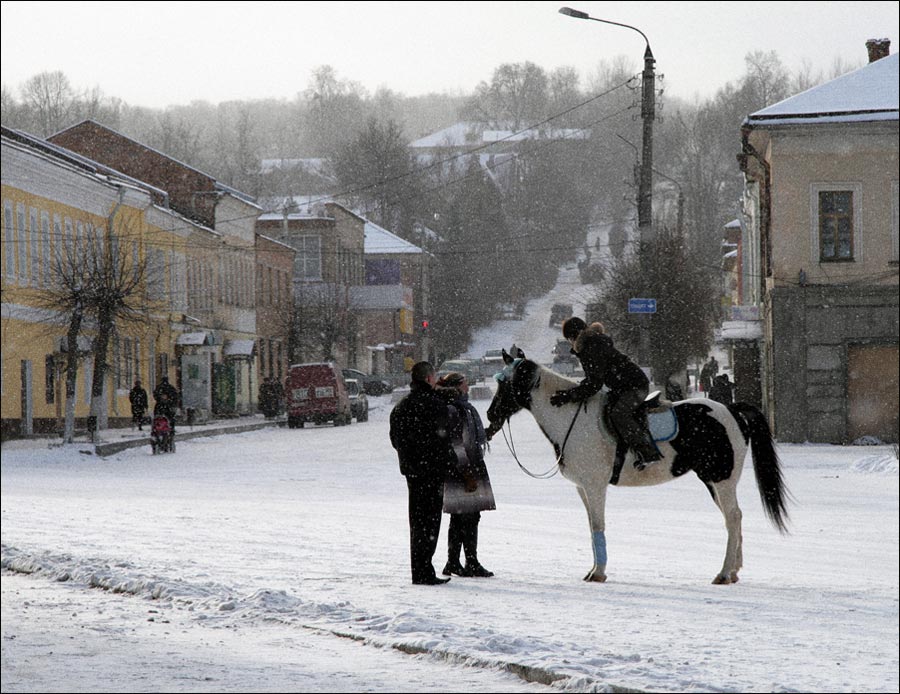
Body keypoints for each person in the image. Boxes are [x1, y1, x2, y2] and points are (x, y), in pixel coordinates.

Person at [550, 317, 661, 470]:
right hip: (623, 387)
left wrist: (569, 396)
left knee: (619, 414)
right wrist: (573, 392)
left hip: (635, 386)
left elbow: (594, 384)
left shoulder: (591, 347)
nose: (570, 343)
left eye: (569, 339)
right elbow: (593, 379)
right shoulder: (591, 344)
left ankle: (647, 452)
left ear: (574, 336)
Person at [389, 362, 456, 585]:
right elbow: (443, 438)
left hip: (412, 472)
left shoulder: (401, 406)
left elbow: (395, 439)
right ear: (428, 378)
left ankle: (418, 569)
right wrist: (448, 461)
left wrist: (409, 456)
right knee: (430, 522)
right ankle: (424, 570)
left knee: (417, 521)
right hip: (432, 471)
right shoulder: (435, 405)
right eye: (434, 376)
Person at [436, 373, 496, 579]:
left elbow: (470, 437)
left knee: (468, 516)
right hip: (462, 469)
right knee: (464, 516)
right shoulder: (454, 409)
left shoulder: (464, 408)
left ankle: (461, 561)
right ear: (456, 387)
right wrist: (466, 471)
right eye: (464, 384)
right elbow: (456, 442)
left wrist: (491, 431)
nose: (468, 387)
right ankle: (463, 562)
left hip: (469, 466)